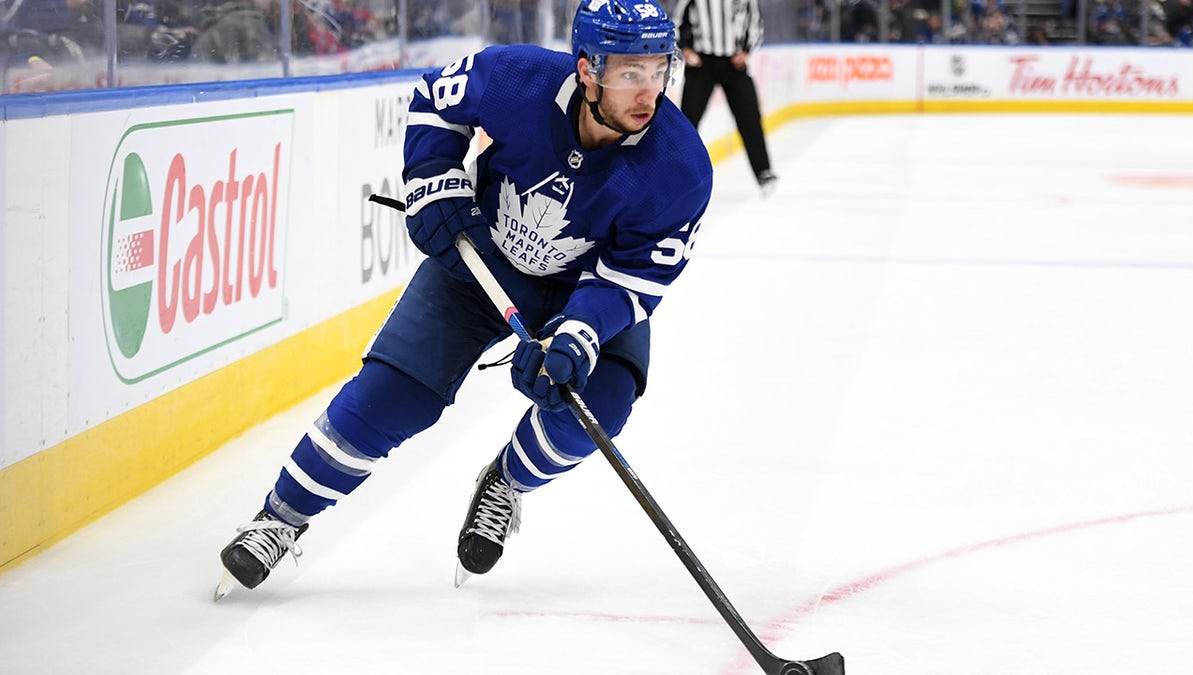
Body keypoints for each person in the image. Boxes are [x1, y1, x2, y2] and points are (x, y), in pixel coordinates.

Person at [216, 0, 712, 595]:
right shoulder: (515, 78)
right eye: (630, 73)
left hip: (588, 287)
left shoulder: (680, 168)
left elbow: (631, 280)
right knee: (393, 396)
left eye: (658, 70)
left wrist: (576, 335)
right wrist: (434, 183)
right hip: (480, 260)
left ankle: (506, 480)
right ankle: (280, 518)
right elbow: (435, 101)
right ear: (587, 68)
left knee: (598, 408)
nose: (648, 91)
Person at [673, 0, 776, 195]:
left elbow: (754, 22)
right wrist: (685, 48)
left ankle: (763, 171)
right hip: (702, 62)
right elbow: (677, 19)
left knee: (750, 118)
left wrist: (746, 50)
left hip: (733, 63)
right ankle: (677, 174)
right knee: (687, 123)